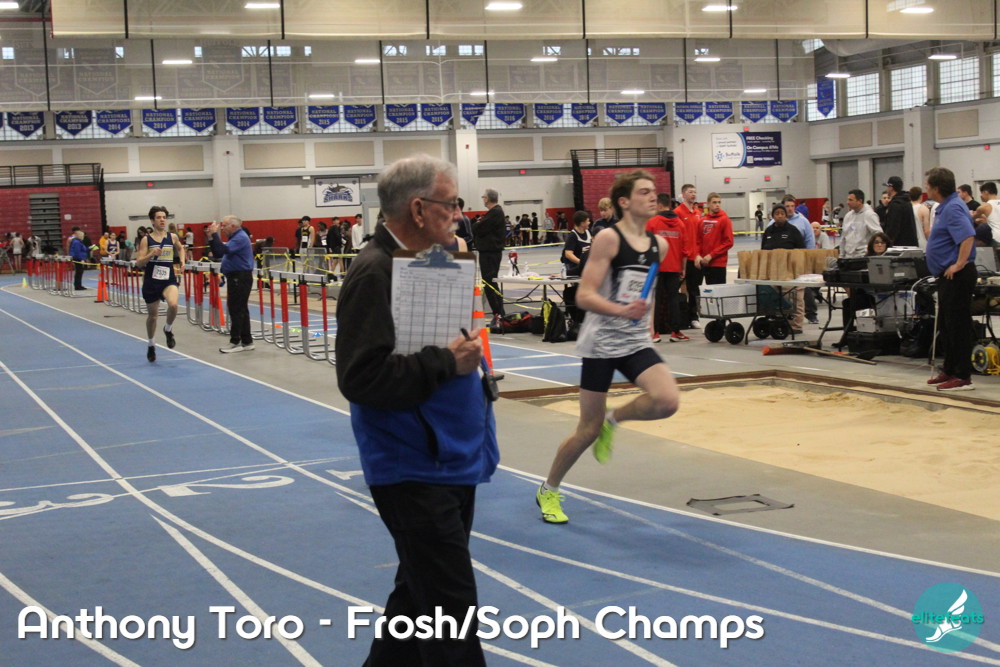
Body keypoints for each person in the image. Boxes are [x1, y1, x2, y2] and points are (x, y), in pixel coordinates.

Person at [335, 154, 497, 666]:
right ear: (420, 209)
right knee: (451, 617)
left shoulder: (428, 262)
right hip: (411, 465)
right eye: (452, 203)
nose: (459, 214)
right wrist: (446, 361)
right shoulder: (374, 271)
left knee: (415, 604)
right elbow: (360, 378)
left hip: (449, 458)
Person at [536, 169, 678, 525]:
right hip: (600, 343)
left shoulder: (660, 246)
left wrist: (645, 323)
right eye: (643, 191)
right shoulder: (608, 239)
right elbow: (584, 296)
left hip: (634, 341)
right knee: (587, 429)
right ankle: (549, 489)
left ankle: (614, 419)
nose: (652, 196)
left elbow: (645, 292)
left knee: (667, 400)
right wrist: (621, 310)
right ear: (624, 202)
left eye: (654, 191)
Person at [924, 166, 977, 392]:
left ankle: (963, 375)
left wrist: (959, 263)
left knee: (957, 326)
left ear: (936, 188)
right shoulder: (945, 207)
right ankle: (950, 368)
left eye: (928, 185)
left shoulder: (954, 207)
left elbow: (968, 236)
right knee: (947, 325)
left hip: (957, 275)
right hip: (947, 276)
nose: (926, 189)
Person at [135, 205, 184, 362]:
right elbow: (139, 263)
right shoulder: (146, 240)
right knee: (153, 316)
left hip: (168, 279)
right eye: (158, 217)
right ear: (152, 221)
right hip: (151, 281)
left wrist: (182, 261)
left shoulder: (172, 237)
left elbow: (181, 248)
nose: (162, 220)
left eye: (164, 217)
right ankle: (151, 344)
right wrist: (151, 254)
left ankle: (168, 329)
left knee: (173, 305)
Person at [207, 215, 256, 354]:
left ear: (233, 226)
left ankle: (236, 341)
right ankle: (247, 341)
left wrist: (214, 234)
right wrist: (211, 236)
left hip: (240, 277)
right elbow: (218, 252)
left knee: (236, 309)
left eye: (224, 225)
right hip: (236, 276)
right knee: (240, 309)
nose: (222, 228)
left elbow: (221, 251)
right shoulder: (234, 238)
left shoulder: (240, 237)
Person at [646, 193, 689, 343]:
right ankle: (675, 332)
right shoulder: (680, 224)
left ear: (659, 205)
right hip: (674, 267)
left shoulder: (652, 223)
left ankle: (655, 333)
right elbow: (685, 250)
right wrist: (683, 268)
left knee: (656, 300)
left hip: (656, 268)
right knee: (673, 299)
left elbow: (646, 246)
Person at [762, 205, 806, 333]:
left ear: (786, 215)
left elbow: (801, 250)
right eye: (777, 213)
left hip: (791, 271)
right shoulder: (768, 231)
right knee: (775, 298)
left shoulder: (793, 230)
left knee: (794, 298)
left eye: (782, 213)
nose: (780, 216)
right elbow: (763, 250)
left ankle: (796, 326)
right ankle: (779, 323)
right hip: (773, 272)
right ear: (773, 216)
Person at [473, 188, 507, 325]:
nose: (483, 199)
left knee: (489, 283)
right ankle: (499, 313)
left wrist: (477, 224)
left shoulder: (495, 212)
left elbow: (478, 229)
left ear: (487, 199)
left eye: (483, 197)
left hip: (490, 252)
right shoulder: (493, 213)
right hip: (489, 252)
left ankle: (498, 314)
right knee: (490, 283)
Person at [674, 184, 703, 328]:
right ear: (683, 194)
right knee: (673, 288)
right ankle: (672, 317)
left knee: (694, 289)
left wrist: (699, 254)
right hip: (681, 259)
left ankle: (693, 317)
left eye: (695, 192)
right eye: (690, 192)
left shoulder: (698, 213)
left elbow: (699, 237)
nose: (693, 194)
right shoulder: (677, 212)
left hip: (694, 258)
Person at [699, 193, 734, 285]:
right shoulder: (702, 220)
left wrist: (711, 255)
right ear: (708, 204)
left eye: (719, 202)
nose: (717, 205)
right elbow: (699, 240)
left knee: (718, 291)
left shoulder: (724, 220)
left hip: (718, 263)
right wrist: (698, 255)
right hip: (705, 263)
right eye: (714, 202)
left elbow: (729, 242)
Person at [839, 189, 882, 258]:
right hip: (848, 256)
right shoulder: (848, 216)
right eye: (848, 199)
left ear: (860, 201)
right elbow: (843, 238)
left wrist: (872, 251)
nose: (847, 202)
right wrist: (841, 255)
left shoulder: (870, 215)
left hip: (863, 256)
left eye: (850, 200)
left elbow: (879, 234)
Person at [882, 176, 918, 246]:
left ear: (891, 187)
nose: (887, 189)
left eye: (887, 186)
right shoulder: (907, 202)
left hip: (899, 245)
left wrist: (887, 243)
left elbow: (893, 227)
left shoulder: (895, 204)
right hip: (910, 244)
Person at [562, 210, 592, 277]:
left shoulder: (589, 232)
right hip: (574, 268)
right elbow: (568, 254)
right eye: (588, 221)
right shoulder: (573, 236)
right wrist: (581, 262)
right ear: (582, 223)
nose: (589, 223)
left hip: (585, 267)